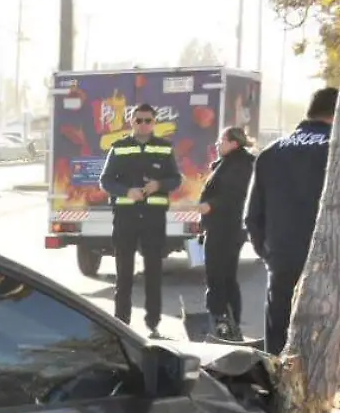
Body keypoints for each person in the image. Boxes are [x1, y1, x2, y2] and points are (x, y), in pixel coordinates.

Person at [246, 86, 337, 355]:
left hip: (282, 257)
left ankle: (278, 386)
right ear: (339, 113)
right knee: (321, 340)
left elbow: (252, 217)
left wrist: (269, 253)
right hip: (328, 258)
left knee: (279, 339)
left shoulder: (271, 152)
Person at [97, 102, 183, 337]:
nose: (143, 124)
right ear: (131, 122)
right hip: (126, 218)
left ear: (154, 123)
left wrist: (159, 185)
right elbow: (105, 181)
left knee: (153, 272)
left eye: (148, 120)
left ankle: (153, 322)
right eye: (138, 120)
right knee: (123, 273)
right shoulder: (120, 147)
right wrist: (126, 192)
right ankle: (121, 322)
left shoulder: (164, 148)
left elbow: (176, 179)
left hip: (154, 219)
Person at [197, 126, 256, 341]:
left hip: (227, 229)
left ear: (234, 143)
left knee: (218, 278)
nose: (217, 143)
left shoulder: (240, 164)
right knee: (225, 278)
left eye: (221, 139)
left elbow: (235, 196)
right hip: (223, 228)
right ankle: (228, 325)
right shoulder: (229, 163)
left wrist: (210, 206)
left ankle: (219, 325)